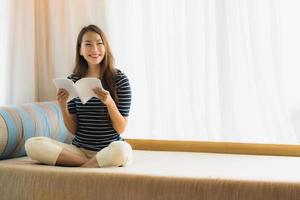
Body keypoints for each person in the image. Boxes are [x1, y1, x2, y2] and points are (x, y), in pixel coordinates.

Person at [25, 24, 132, 168]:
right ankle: (90, 165)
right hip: (79, 150)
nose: (94, 49)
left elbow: (121, 128)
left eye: (99, 44)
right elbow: (74, 130)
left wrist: (109, 103)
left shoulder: (119, 80)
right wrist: (62, 106)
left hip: (109, 149)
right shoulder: (72, 80)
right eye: (88, 44)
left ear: (105, 48)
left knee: (122, 150)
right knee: (32, 145)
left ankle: (85, 166)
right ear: (80, 50)